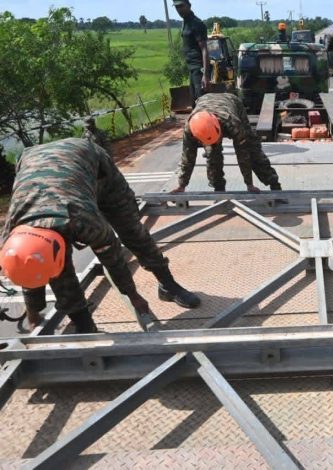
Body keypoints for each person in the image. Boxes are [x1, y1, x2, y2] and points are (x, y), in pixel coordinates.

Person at [0, 138, 201, 333]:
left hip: (93, 165)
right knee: (52, 268)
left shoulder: (84, 222)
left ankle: (168, 285)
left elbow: (113, 259)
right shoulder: (11, 239)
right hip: (35, 162)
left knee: (131, 230)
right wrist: (34, 314)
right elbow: (26, 267)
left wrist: (132, 295)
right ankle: (84, 324)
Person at [171, 93, 282, 193]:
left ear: (219, 126)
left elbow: (243, 154)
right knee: (212, 154)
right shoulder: (190, 129)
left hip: (232, 102)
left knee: (251, 147)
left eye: (217, 138)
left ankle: (274, 184)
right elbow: (187, 157)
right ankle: (218, 188)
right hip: (205, 101)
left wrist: (249, 184)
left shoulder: (232, 123)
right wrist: (182, 185)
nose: (217, 142)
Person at [173, 0, 209, 106]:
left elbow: (204, 49)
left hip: (198, 68)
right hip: (191, 69)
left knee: (201, 101)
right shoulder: (186, 22)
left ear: (189, 5)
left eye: (181, 6)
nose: (179, 9)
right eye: (177, 7)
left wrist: (205, 75)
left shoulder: (196, 24)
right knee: (194, 102)